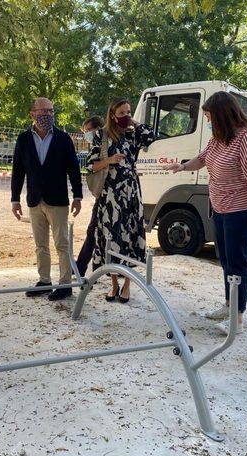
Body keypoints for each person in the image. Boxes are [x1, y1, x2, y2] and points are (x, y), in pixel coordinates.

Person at [166, 92, 247, 335]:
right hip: (220, 208)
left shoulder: (246, 138)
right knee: (225, 260)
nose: (208, 121)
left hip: (240, 211)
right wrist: (183, 166)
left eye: (210, 116)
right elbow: (203, 158)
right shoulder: (219, 138)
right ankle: (230, 304)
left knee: (237, 262)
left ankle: (238, 316)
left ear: (222, 114)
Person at [11, 97, 83, 301]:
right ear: (32, 113)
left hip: (58, 200)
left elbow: (74, 170)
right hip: (34, 200)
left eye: (51, 111)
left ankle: (65, 284)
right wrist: (14, 199)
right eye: (43, 111)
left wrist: (77, 195)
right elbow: (18, 170)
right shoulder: (23, 139)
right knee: (40, 244)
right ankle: (44, 281)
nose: (47, 115)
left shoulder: (63, 138)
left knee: (62, 244)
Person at [86, 97, 155, 303]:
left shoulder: (134, 135)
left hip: (131, 193)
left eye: (128, 112)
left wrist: (133, 122)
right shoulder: (102, 135)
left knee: (130, 236)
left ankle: (127, 285)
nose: (126, 116)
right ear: (112, 115)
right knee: (111, 237)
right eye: (122, 114)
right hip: (110, 195)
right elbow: (90, 166)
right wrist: (109, 160)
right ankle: (114, 284)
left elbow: (152, 136)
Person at [75, 116, 104, 276]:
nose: (86, 134)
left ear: (97, 129)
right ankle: (82, 266)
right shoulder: (97, 145)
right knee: (93, 232)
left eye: (88, 131)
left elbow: (92, 167)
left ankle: (81, 267)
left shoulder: (102, 145)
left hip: (106, 196)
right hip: (101, 194)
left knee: (93, 231)